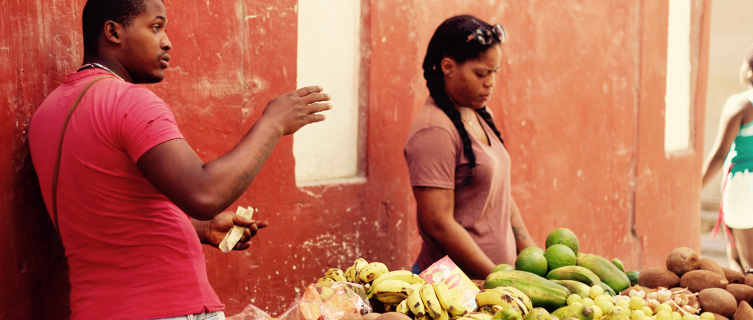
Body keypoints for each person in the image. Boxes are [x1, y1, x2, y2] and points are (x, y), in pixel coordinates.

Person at [28, 0, 331, 319]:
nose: (167, 41)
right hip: (166, 309)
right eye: (155, 27)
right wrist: (273, 124)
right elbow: (205, 194)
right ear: (113, 32)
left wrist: (198, 229)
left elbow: (105, 209)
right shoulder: (130, 101)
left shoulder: (47, 113)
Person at [403, 15, 536, 280]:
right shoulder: (435, 131)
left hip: (493, 284)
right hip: (452, 288)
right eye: (481, 73)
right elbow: (438, 223)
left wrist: (533, 257)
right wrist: (499, 279)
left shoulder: (478, 113)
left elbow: (499, 195)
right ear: (448, 67)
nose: (490, 82)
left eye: (494, 72)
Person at [702, 45, 753, 273]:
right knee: (737, 257)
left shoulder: (741, 104)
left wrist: (695, 189)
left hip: (744, 185)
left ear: (750, 71)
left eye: (743, 63)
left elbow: (720, 154)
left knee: (746, 263)